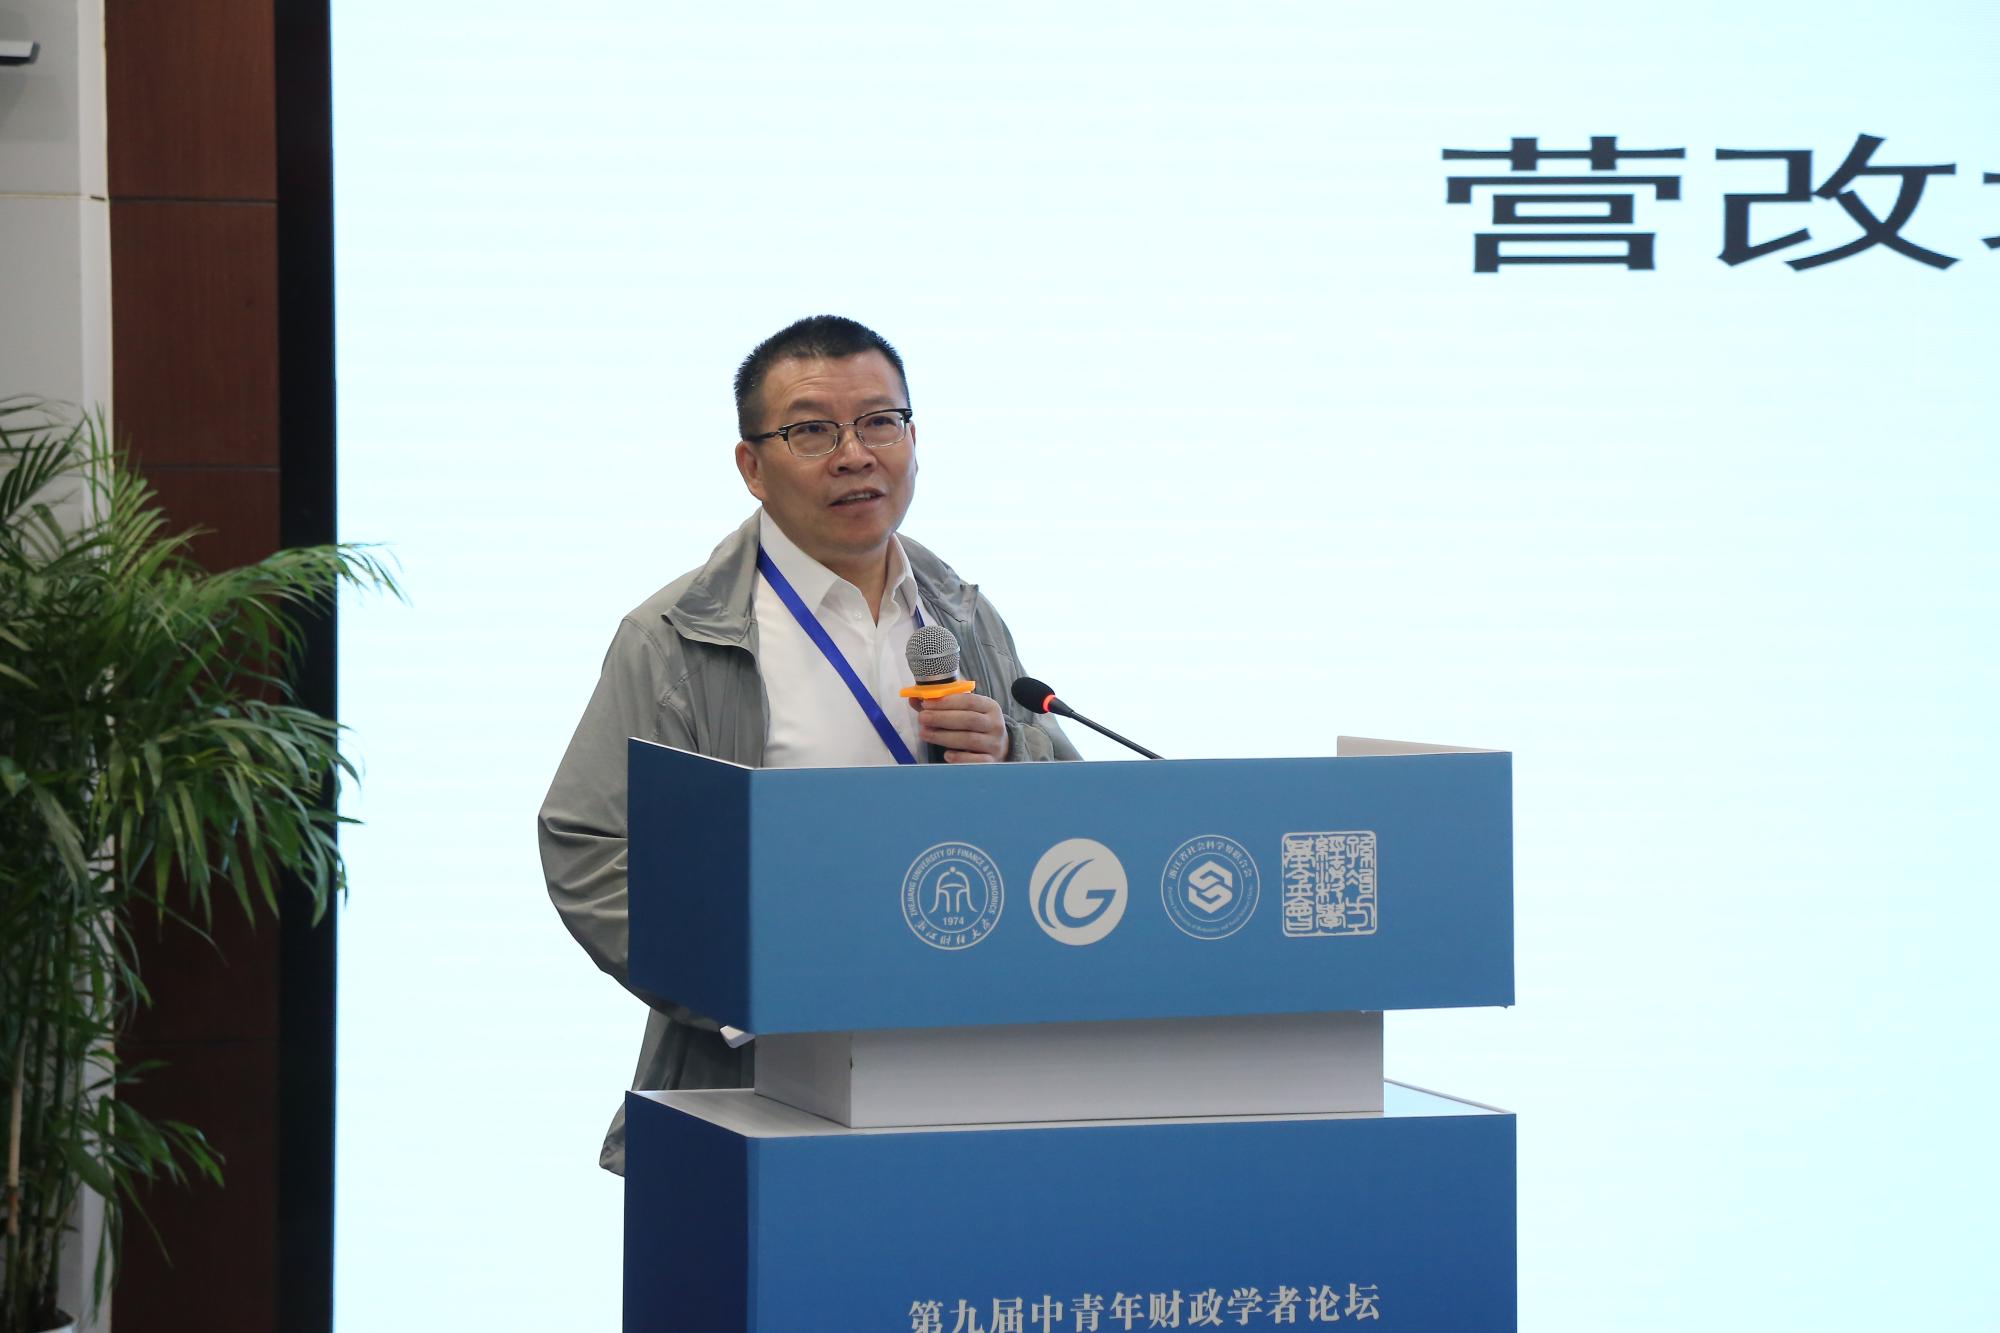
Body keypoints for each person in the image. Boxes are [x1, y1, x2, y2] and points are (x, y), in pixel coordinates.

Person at [537, 315, 1078, 1172]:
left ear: (912, 439)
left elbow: (1080, 820)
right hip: (765, 1085)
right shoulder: (676, 637)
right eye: (813, 431)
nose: (855, 454)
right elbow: (589, 844)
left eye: (880, 422)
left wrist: (1013, 752)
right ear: (752, 466)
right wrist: (745, 990)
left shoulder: (961, 612)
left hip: (971, 1070)